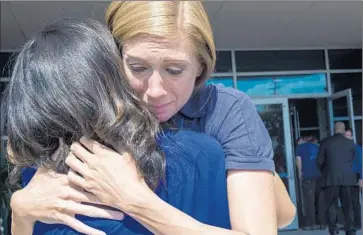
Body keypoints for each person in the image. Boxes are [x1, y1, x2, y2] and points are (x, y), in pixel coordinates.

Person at [10, 1, 296, 234]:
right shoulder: (92, 116)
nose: (155, 91)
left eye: (174, 70)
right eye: (138, 67)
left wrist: (136, 201)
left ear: (201, 66)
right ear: (113, 59)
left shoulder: (225, 110)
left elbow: (282, 215)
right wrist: (21, 208)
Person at [316, 122, 357, 235]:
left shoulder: (325, 142)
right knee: (348, 205)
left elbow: (319, 161)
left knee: (331, 205)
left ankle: (333, 229)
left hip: (331, 178)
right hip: (348, 179)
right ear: (344, 131)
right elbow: (355, 160)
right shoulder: (350, 143)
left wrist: (326, 171)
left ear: (334, 130)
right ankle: (351, 229)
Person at [295, 135, 323, 230]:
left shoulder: (299, 148)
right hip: (319, 175)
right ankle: (322, 223)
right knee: (319, 199)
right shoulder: (315, 146)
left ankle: (311, 224)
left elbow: (298, 160)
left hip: (307, 176)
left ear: (301, 140)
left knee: (309, 201)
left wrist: (299, 173)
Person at [345, 128, 362, 229]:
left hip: (355, 176)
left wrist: (361, 178)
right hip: (346, 177)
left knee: (354, 201)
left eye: (348, 135)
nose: (346, 137)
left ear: (351, 137)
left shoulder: (357, 148)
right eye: (345, 135)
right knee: (348, 200)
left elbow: (361, 164)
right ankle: (351, 223)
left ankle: (357, 223)